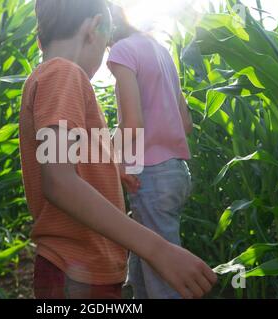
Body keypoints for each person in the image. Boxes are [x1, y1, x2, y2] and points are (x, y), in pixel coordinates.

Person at [19, 0, 216, 299]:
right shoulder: (63, 75)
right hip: (77, 272)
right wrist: (158, 250)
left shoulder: (54, 76)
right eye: (106, 43)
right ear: (93, 28)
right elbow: (59, 181)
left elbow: (70, 162)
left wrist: (111, 168)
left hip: (81, 270)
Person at [107, 3, 196, 299]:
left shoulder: (121, 51)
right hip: (177, 173)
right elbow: (186, 124)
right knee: (143, 274)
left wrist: (112, 155)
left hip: (151, 176)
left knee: (164, 281)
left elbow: (132, 123)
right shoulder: (160, 50)